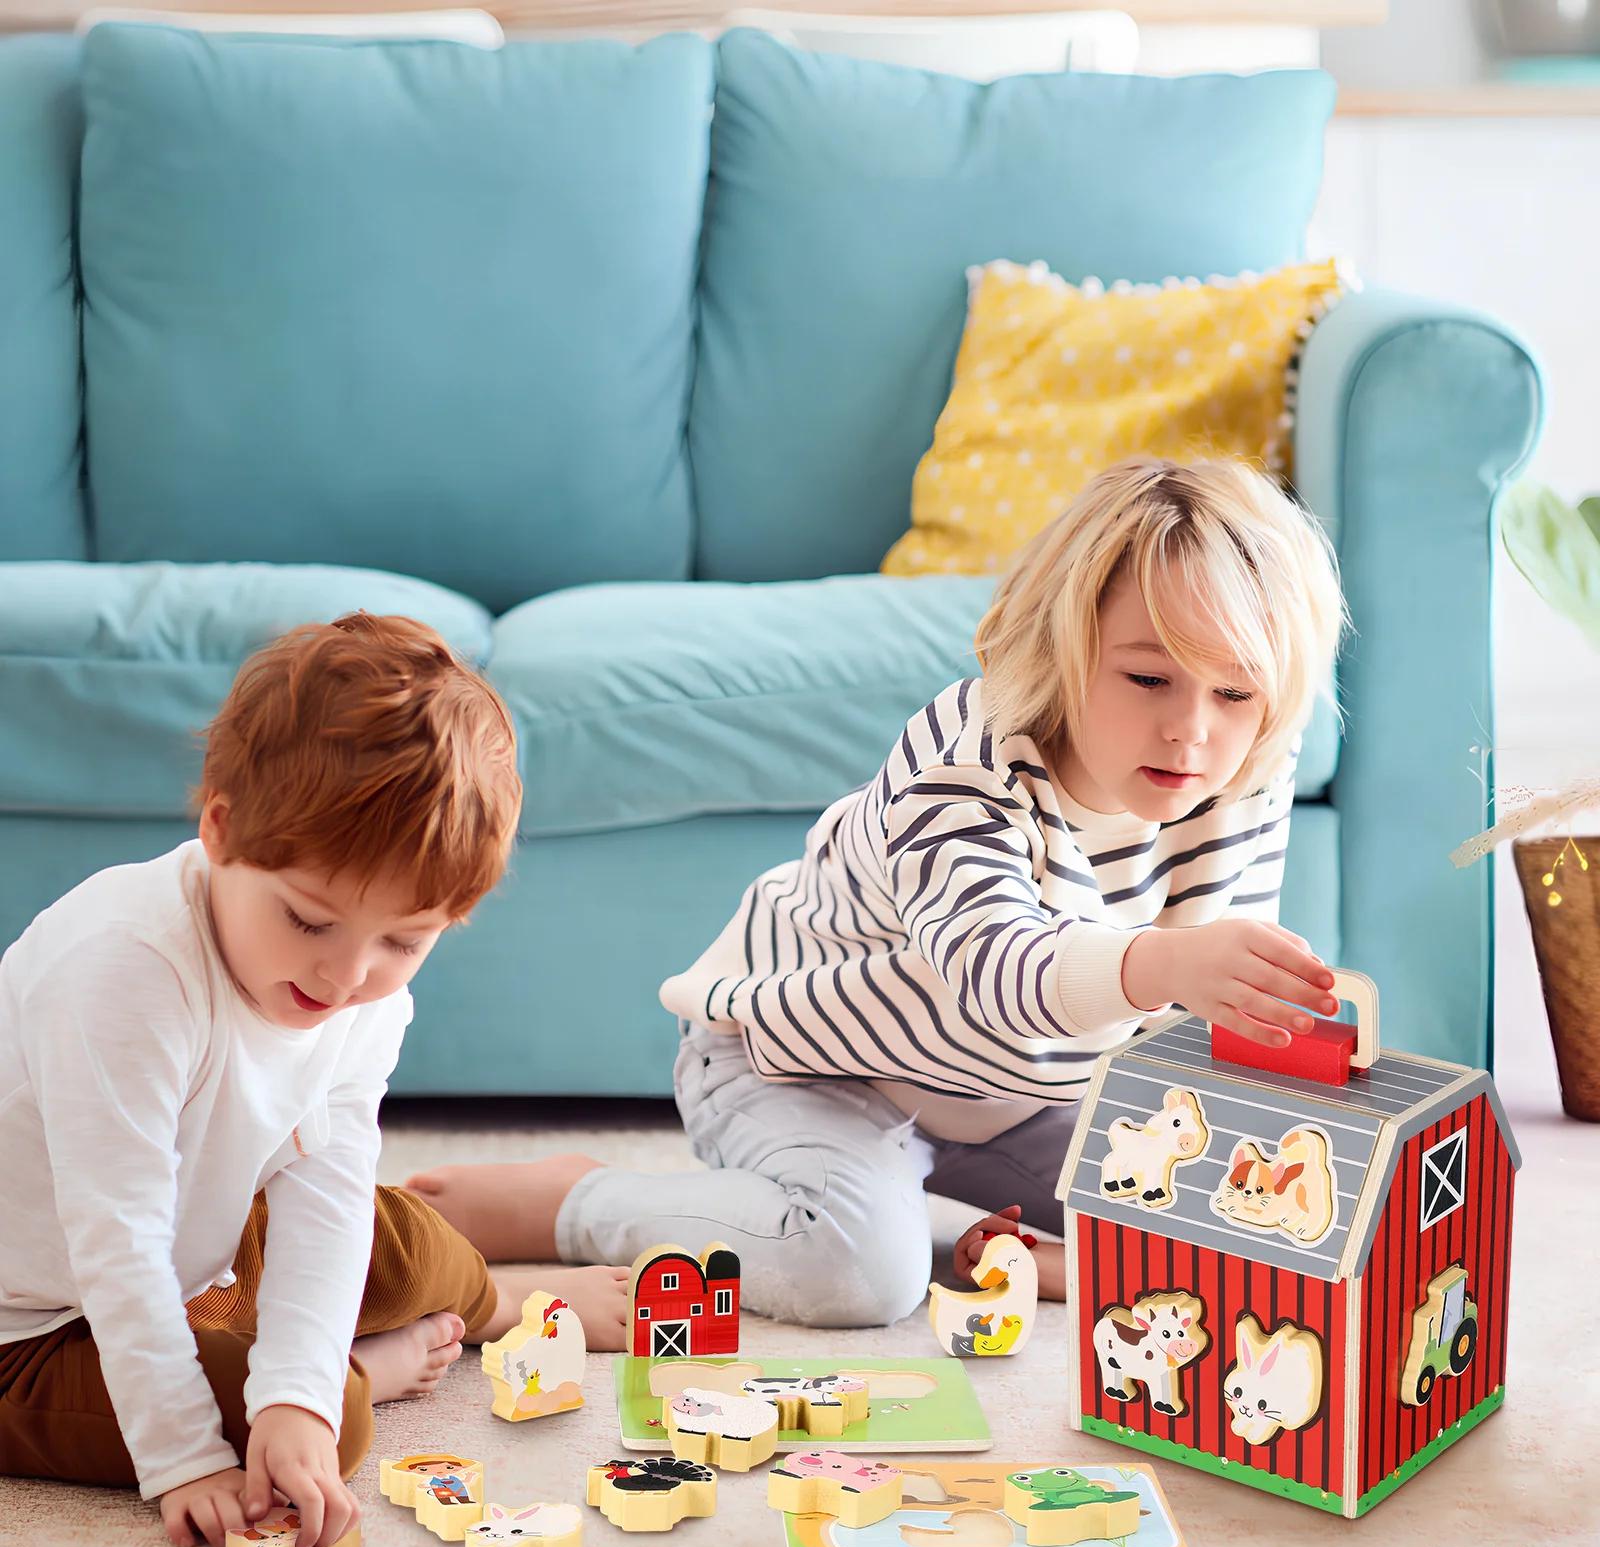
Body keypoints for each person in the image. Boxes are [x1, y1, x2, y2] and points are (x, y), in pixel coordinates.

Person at [408, 457, 1348, 1326]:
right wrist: (1175, 965)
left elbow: (1206, 989)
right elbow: (1001, 975)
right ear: (1064, 648)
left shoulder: (1242, 766)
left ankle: (1010, 1252)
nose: (1191, 729)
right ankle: (577, 1201)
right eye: (1149, 677)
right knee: (857, 1273)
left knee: (1249, 1222)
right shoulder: (965, 765)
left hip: (1018, 1097)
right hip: (807, 1061)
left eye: (1236, 693)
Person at [0, 613, 626, 1547]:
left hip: (192, 1263)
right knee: (328, 1424)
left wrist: (287, 1388)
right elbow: (115, 1244)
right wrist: (193, 1455)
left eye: (402, 943)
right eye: (307, 920)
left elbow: (327, 1188)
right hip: (31, 1323)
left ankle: (495, 1308)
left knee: (403, 1244)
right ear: (219, 831)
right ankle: (361, 1365)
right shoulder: (124, 969)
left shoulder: (362, 993)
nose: (344, 978)